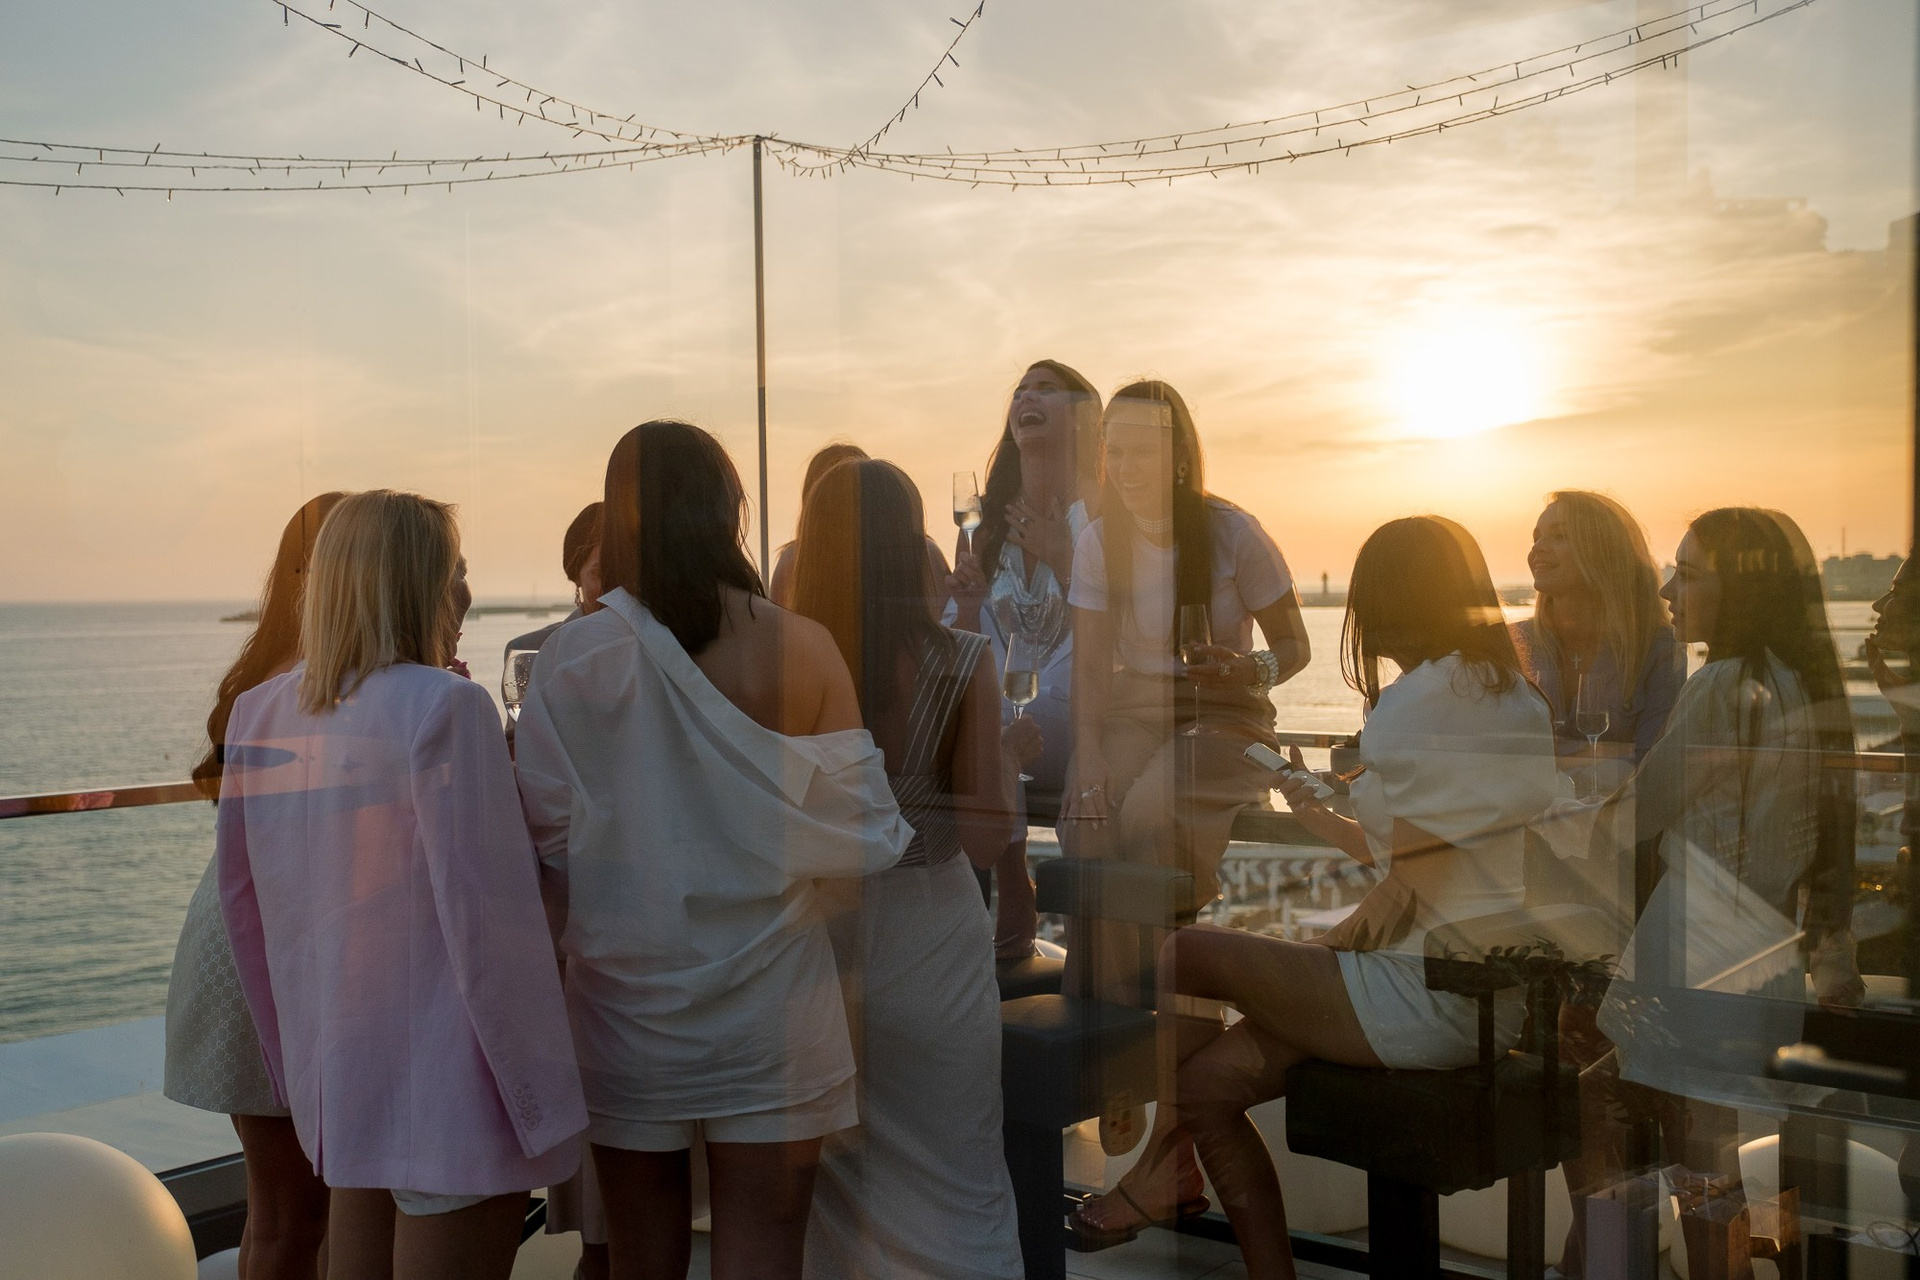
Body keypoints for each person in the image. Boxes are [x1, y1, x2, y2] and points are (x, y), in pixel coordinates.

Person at [1068, 515, 1561, 1279]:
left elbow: (1411, 885)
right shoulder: (1517, 699)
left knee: (1184, 952)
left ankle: (1164, 1172)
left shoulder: (1413, 705)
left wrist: (1310, 962)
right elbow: (1425, 853)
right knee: (1203, 1088)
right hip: (1488, 997)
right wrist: (1320, 817)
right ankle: (1204, 1204)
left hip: (1419, 994)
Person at [513, 421, 911, 1280]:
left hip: (627, 1006)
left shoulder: (571, 659)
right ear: (731, 510)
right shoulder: (802, 645)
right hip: (775, 1001)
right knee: (765, 1252)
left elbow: (549, 846)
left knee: (638, 1259)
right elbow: (858, 843)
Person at [217, 490, 586, 1280]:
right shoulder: (446, 706)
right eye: (455, 571)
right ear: (412, 582)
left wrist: (297, 1066)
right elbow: (492, 924)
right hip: (456, 1084)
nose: (467, 593)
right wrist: (542, 1098)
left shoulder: (260, 713)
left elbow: (246, 912)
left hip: (343, 1079)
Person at [1563, 507, 1863, 1277]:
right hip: (1763, 959)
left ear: (1744, 592)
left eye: (1689, 575)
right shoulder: (1800, 684)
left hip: (1694, 961)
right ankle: (1734, 1265)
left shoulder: (1723, 685)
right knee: (1715, 1161)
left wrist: (1563, 805)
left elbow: (1640, 812)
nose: (1668, 590)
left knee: (1658, 1151)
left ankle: (1612, 1268)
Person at [788, 459, 1024, 1279]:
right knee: (960, 1170)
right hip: (931, 936)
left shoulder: (784, 664)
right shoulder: (962, 660)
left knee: (836, 1182)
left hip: (818, 935)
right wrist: (1006, 762)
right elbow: (985, 840)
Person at [1061, 381, 1311, 1006]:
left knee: (1151, 815)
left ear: (1178, 455)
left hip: (1224, 713)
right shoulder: (1098, 541)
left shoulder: (1234, 532)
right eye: (1115, 452)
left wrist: (1246, 670)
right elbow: (1089, 667)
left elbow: (1295, 647)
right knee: (1087, 823)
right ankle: (1111, 1013)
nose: (1124, 468)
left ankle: (1167, 1008)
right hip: (1134, 709)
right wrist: (1086, 755)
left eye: (1140, 451)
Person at [165, 492, 343, 1280]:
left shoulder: (269, 670)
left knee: (287, 1210)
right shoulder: (317, 680)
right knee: (295, 1211)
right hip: (266, 947)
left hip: (242, 932)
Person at [946, 359, 1103, 959]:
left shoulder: (1102, 511)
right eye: (1020, 390)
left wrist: (1065, 558)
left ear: (1082, 418)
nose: (1026, 397)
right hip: (1007, 703)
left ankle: (1040, 898)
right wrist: (965, 602)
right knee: (989, 718)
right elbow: (969, 637)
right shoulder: (983, 521)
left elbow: (1117, 634)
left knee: (996, 728)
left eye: (1045, 389)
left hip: (1082, 698)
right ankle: (1012, 880)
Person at [1514, 490, 1684, 781]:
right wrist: (1607, 758)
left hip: (1617, 811)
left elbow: (1652, 764)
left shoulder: (1657, 648)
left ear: (1605, 551)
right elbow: (1499, 755)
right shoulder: (1515, 642)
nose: (1537, 548)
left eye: (1559, 536)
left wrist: (1555, 760)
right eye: (1536, 538)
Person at [505, 501, 606, 656]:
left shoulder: (645, 647)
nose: (616, 588)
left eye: (627, 574)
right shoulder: (529, 651)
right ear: (576, 575)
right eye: (600, 574)